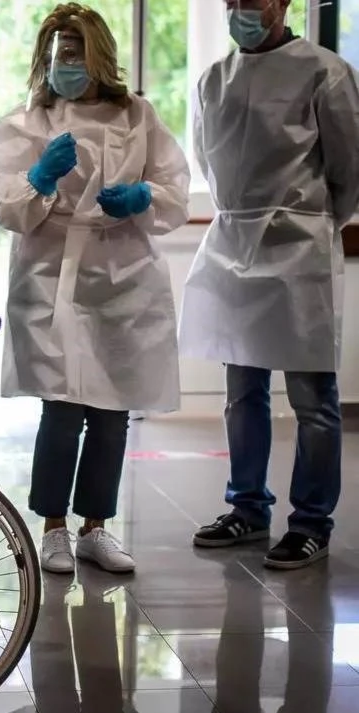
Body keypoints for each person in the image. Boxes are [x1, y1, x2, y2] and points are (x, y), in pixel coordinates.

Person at [0, 3, 190, 575]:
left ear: (99, 56)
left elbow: (174, 181)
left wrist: (144, 196)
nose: (65, 65)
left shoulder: (137, 116)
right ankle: (52, 528)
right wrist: (39, 179)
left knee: (110, 411)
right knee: (63, 404)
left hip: (123, 276)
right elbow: (9, 209)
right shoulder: (22, 126)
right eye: (57, 55)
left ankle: (96, 527)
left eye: (75, 53)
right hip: (53, 272)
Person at [180, 0, 359, 569]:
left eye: (253, 0)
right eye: (230, 1)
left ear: (283, 3)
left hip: (298, 247)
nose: (240, 10)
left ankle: (311, 522)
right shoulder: (214, 79)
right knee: (243, 393)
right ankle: (248, 508)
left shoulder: (323, 71)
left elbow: (349, 169)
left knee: (313, 400)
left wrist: (311, 221)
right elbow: (211, 164)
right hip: (235, 246)